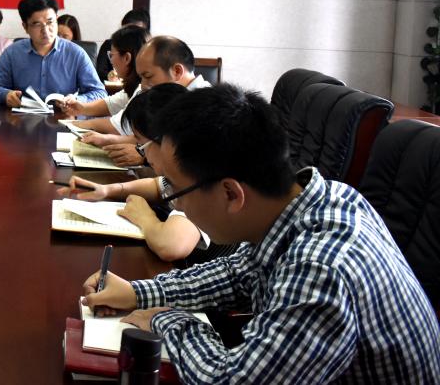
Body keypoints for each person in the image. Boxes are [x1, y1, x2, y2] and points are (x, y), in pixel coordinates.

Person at [82, 84, 440, 384]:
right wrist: (139, 293)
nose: (175, 203)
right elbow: (238, 272)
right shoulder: (319, 198)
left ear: (231, 194)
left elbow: (230, 380)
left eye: (175, 189)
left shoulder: (321, 270)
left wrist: (165, 319)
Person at [60, 83, 213, 263]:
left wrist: (144, 217)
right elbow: (158, 186)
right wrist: (107, 190)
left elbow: (171, 246)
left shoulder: (198, 178)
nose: (141, 153)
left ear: (167, 141)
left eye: (140, 144)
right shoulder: (178, 175)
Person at [75, 35, 211, 166]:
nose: (144, 86)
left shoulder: (205, 107)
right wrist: (110, 140)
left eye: (148, 76)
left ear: (176, 71)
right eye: (141, 78)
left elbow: (196, 160)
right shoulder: (170, 98)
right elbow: (151, 138)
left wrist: (144, 156)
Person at [0, 0, 105, 108]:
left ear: (57, 19)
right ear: (25, 27)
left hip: (63, 117)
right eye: (37, 24)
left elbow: (99, 93)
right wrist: (6, 95)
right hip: (22, 117)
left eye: (50, 22)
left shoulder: (76, 53)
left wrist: (77, 100)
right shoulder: (12, 53)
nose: (45, 30)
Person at [64, 24, 149, 121]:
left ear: (126, 58)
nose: (111, 61)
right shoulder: (132, 90)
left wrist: (76, 122)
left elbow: (115, 126)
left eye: (111, 55)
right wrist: (78, 107)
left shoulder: (142, 92)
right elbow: (110, 104)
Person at [98, 8, 150, 81]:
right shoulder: (110, 44)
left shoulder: (151, 51)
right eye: (126, 31)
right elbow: (100, 72)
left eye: (135, 33)